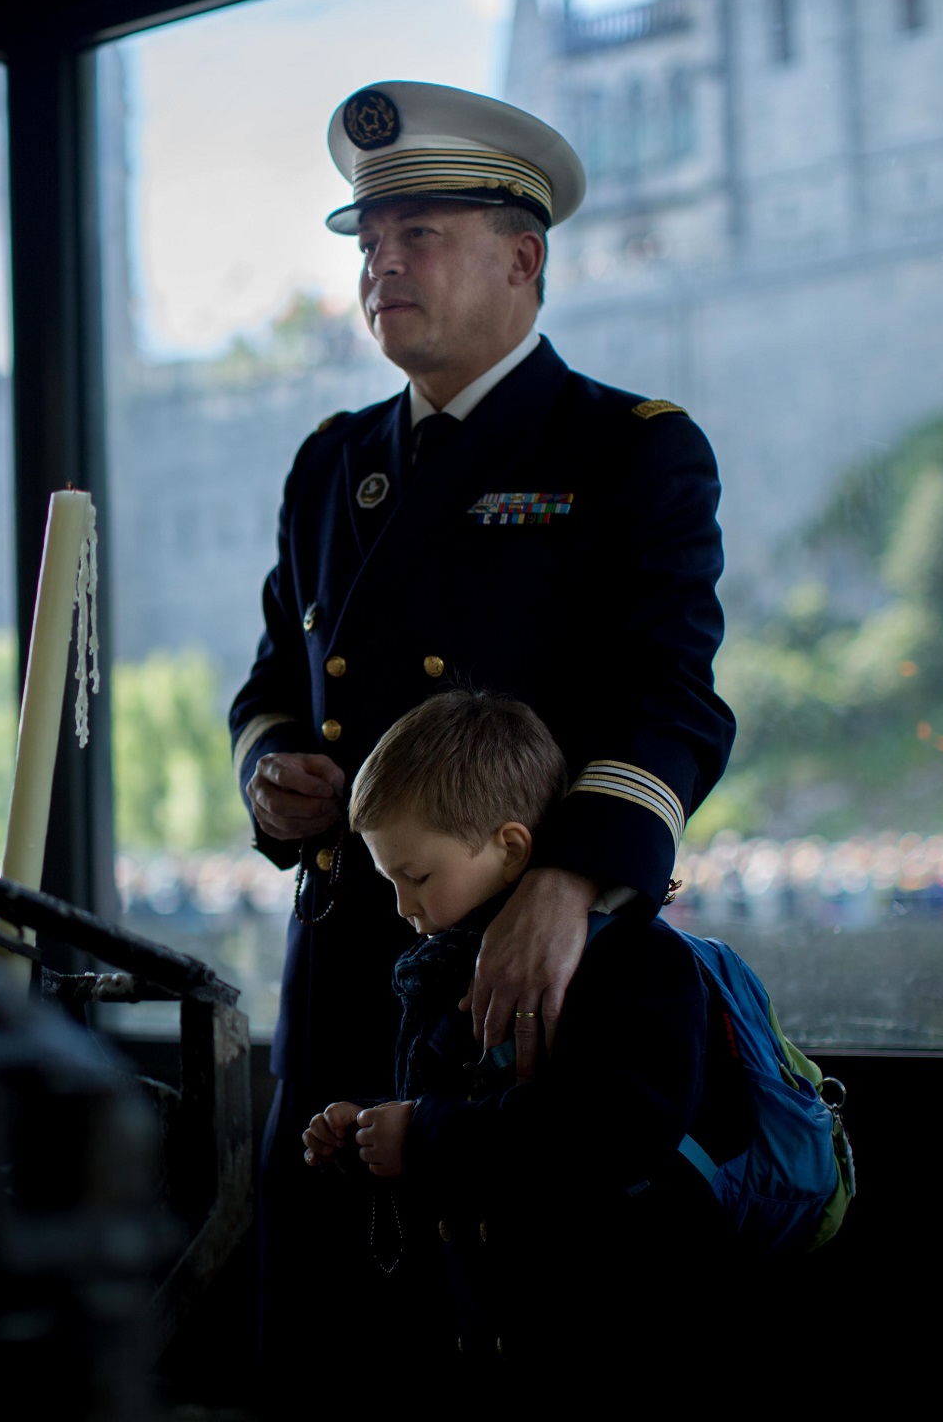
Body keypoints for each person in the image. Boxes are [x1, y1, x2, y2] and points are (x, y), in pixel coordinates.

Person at [226, 81, 736, 1397]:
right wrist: (271, 776)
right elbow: (276, 678)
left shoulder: (629, 454)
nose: (381, 264)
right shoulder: (330, 464)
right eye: (368, 241)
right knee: (323, 1337)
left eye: (419, 235)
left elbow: (675, 697)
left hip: (522, 989)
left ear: (525, 259)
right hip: (341, 962)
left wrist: (564, 885)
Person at [300, 690, 744, 1374]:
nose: (401, 905)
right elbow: (452, 1130)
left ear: (510, 849)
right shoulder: (444, 968)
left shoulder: (634, 961)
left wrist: (421, 1134)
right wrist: (369, 1139)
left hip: (619, 1318)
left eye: (415, 876)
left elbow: (616, 1131)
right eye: (390, 880)